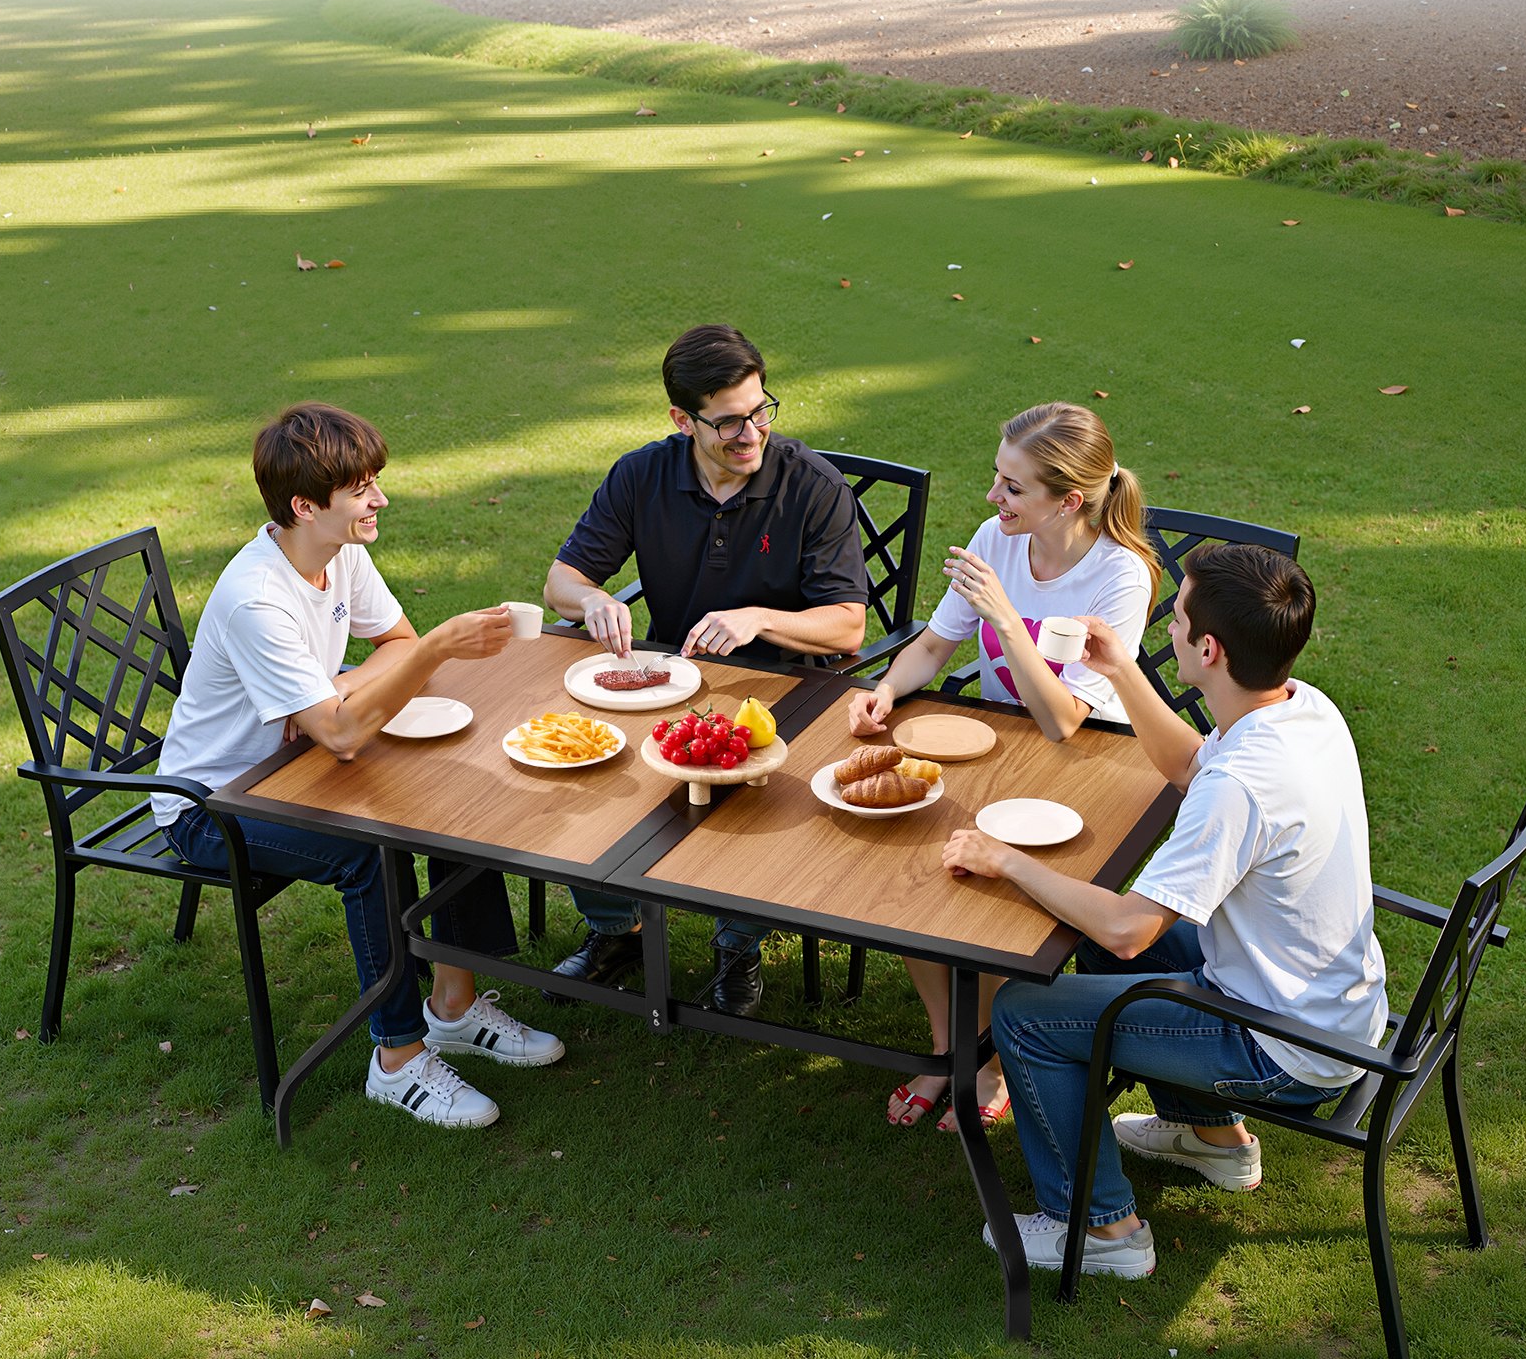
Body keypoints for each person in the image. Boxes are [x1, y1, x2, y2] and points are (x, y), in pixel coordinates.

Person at [940, 543, 1388, 1278]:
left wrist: (1005, 860)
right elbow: (1189, 764)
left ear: (1208, 648)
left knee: (1026, 1012)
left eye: (1175, 618)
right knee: (1103, 950)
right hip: (1333, 1004)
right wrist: (1121, 667)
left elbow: (1125, 929)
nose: (1166, 627)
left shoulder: (1244, 784)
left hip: (1282, 1047)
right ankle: (1214, 1140)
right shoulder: (1302, 709)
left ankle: (1104, 1232)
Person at [153, 403, 564, 1129]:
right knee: (371, 853)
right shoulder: (257, 597)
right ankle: (397, 1059)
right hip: (213, 805)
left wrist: (335, 689)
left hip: (295, 767)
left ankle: (456, 1006)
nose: (381, 499)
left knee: (445, 797)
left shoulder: (338, 551)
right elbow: (353, 723)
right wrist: (429, 654)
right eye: (363, 489)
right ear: (304, 506)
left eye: (375, 480)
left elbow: (392, 643)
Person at [848, 402, 1157, 1132]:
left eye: (1013, 488)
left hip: (1086, 771)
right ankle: (952, 1046)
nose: (993, 499)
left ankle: (983, 1059)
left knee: (985, 887)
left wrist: (1010, 620)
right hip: (998, 752)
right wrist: (884, 690)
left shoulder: (1122, 576)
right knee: (915, 867)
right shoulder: (999, 538)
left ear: (1069, 501)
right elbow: (933, 645)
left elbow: (1064, 719)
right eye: (998, 478)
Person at [544, 324, 869, 1016]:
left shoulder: (814, 487)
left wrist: (760, 617)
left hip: (788, 693)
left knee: (763, 798)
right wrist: (594, 597)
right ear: (681, 420)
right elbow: (562, 581)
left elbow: (848, 623)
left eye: (760, 411)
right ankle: (616, 929)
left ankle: (738, 946)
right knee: (590, 772)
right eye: (727, 422)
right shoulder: (641, 476)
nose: (750, 433)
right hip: (672, 682)